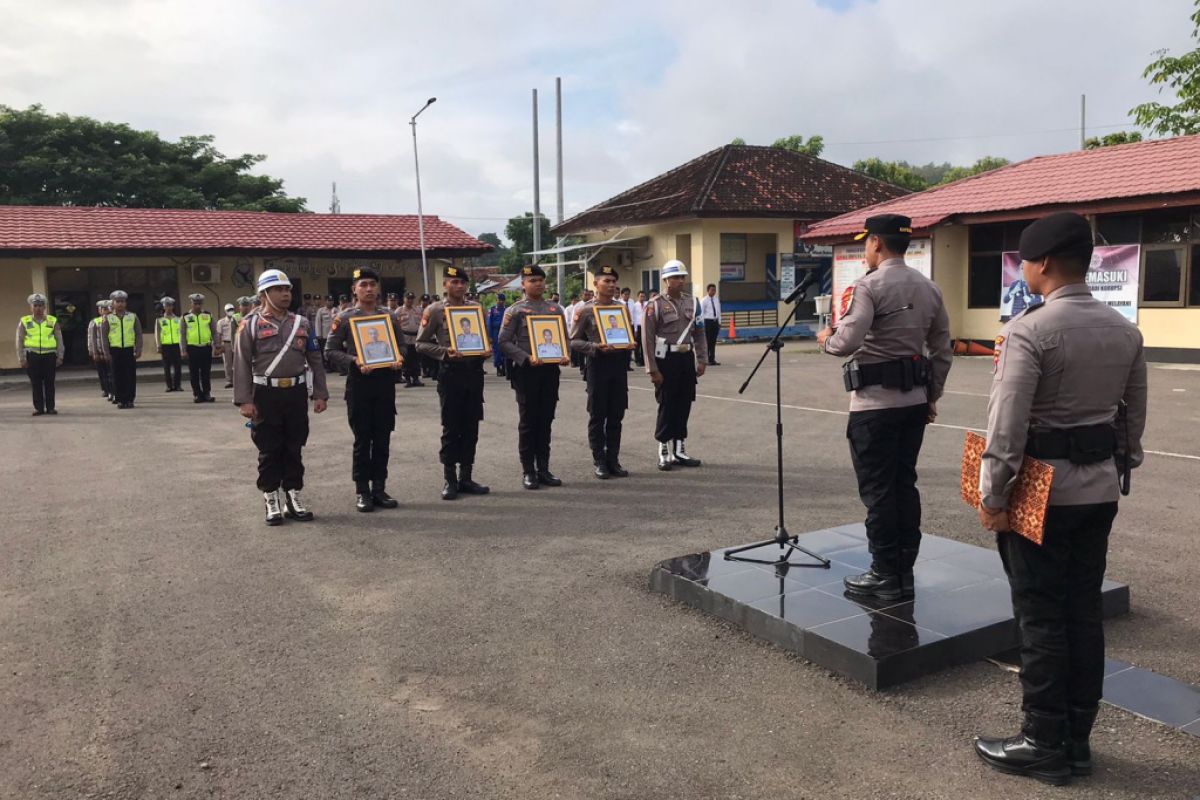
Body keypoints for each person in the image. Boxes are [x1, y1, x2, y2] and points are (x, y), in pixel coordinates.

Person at [972, 212, 1147, 785]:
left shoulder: (1029, 331)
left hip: (1040, 494)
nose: (1022, 268)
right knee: (1082, 613)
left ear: (1043, 263)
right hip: (1098, 489)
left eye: (1024, 259)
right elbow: (1131, 420)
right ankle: (1076, 739)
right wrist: (1116, 464)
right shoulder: (1124, 330)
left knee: (1041, 617)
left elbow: (1007, 425)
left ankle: (1041, 740)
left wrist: (993, 493)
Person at [816, 214, 953, 602]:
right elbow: (942, 350)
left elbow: (847, 341)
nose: (866, 250)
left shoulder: (869, 286)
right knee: (903, 484)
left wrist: (826, 338)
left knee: (878, 491)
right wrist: (932, 396)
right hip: (913, 403)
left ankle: (883, 572)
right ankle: (904, 570)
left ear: (876, 243)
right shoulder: (930, 288)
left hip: (874, 406)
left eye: (867, 244)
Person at [234, 269, 329, 526]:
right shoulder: (250, 324)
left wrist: (320, 393)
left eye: (287, 289)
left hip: (296, 392)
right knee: (269, 448)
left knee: (294, 446)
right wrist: (244, 400)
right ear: (264, 293)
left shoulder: (302, 323)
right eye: (279, 289)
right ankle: (271, 497)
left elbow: (315, 360)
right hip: (265, 393)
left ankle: (293, 495)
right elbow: (241, 362)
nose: (286, 294)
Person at [325, 267, 404, 511]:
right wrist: (354, 360)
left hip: (384, 384)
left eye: (372, 284)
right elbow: (330, 350)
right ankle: (362, 490)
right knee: (362, 439)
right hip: (359, 384)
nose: (369, 289)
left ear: (378, 288)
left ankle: (379, 488)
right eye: (363, 285)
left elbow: (401, 346)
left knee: (382, 438)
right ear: (354, 289)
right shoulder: (345, 318)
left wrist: (399, 358)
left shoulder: (389, 316)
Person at [416, 265, 491, 500]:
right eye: (454, 282)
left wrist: (486, 349)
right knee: (451, 426)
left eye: (462, 282)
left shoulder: (477, 309)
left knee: (471, 426)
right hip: (451, 373)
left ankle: (466, 477)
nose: (459, 286)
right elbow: (421, 343)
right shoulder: (435, 310)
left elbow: (483, 339)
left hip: (474, 373)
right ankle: (449, 478)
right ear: (445, 285)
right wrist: (445, 352)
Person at [498, 265, 567, 489]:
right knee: (528, 421)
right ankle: (528, 470)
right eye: (532, 280)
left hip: (549, 371)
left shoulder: (555, 310)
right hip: (527, 370)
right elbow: (504, 342)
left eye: (540, 280)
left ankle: (544, 469)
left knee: (546, 419)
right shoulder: (515, 311)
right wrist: (525, 358)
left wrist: (564, 354)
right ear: (524, 284)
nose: (537, 283)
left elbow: (563, 339)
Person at [642, 261, 708, 471]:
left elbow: (699, 332)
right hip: (666, 360)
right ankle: (663, 449)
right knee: (667, 404)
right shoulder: (655, 304)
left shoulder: (693, 302)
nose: (681, 280)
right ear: (666, 280)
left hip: (685, 359)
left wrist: (702, 358)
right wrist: (652, 368)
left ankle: (679, 448)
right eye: (676, 277)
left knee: (685, 401)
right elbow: (647, 339)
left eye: (683, 276)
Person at [570, 265, 632, 479]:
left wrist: (630, 343)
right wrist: (594, 347)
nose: (612, 285)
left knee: (617, 414)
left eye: (614, 281)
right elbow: (574, 341)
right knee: (597, 415)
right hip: (598, 364)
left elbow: (627, 333)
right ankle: (599, 460)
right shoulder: (585, 310)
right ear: (595, 284)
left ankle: (613, 459)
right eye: (607, 281)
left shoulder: (621, 309)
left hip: (618, 365)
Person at [16, 293, 63, 416]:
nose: (38, 308)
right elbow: (19, 340)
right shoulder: (24, 321)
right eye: (35, 305)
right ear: (31, 307)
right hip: (32, 356)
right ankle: (39, 408)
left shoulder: (52, 320)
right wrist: (21, 358)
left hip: (49, 356)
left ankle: (51, 407)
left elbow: (59, 339)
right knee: (36, 383)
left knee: (49, 383)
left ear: (45, 307)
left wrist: (60, 355)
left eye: (41, 305)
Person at [100, 290, 142, 409]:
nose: (120, 304)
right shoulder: (108, 318)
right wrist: (106, 352)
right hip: (115, 350)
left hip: (129, 350)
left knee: (130, 375)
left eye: (122, 301)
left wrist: (138, 349)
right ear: (113, 303)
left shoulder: (133, 317)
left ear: (126, 303)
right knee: (117, 376)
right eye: (117, 301)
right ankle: (120, 400)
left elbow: (138, 334)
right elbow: (104, 336)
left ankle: (129, 399)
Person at [180, 292, 220, 403]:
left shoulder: (208, 315)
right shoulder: (185, 317)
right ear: (191, 303)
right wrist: (183, 350)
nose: (197, 306)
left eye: (200, 304)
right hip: (192, 348)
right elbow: (182, 335)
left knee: (206, 372)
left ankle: (207, 393)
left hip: (206, 348)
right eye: (195, 303)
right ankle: (197, 394)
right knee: (194, 373)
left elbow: (214, 332)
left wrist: (217, 345)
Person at [394, 291, 425, 388]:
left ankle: (416, 379)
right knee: (407, 360)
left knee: (416, 359)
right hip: (405, 338)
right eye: (408, 298)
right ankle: (408, 379)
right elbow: (395, 325)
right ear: (404, 299)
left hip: (416, 338)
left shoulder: (418, 310)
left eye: (412, 299)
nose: (410, 300)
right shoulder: (398, 311)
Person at [155, 297, 184, 392]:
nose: (168, 308)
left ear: (173, 307)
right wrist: (158, 345)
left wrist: (183, 346)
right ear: (163, 307)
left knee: (178, 367)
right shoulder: (160, 320)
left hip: (177, 345)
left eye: (170, 305)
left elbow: (181, 333)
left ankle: (178, 385)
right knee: (166, 367)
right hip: (165, 346)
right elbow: (157, 334)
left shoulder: (179, 319)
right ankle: (169, 386)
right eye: (166, 306)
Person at [88, 300, 114, 401]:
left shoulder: (113, 320)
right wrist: (93, 351)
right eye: (104, 309)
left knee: (111, 372)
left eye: (108, 309)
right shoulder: (95, 322)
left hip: (110, 350)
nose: (107, 311)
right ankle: (105, 389)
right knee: (102, 372)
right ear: (100, 311)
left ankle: (112, 390)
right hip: (99, 350)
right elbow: (91, 338)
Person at [700, 283, 722, 366]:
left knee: (713, 342)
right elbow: (701, 313)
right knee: (707, 342)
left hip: (715, 322)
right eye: (712, 290)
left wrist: (719, 322)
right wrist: (702, 325)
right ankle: (706, 359)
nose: (713, 292)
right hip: (707, 322)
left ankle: (712, 359)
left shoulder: (716, 299)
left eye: (714, 290)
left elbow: (718, 311)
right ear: (708, 290)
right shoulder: (704, 300)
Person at [217, 303, 238, 388]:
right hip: (226, 343)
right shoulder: (221, 322)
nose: (230, 311)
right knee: (228, 363)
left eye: (232, 309)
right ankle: (229, 381)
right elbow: (219, 334)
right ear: (225, 311)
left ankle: (238, 380)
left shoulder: (238, 320)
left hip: (237, 343)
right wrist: (218, 346)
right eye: (229, 310)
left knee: (238, 363)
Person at [487, 294, 507, 376]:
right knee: (497, 351)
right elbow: (489, 324)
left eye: (502, 300)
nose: (500, 302)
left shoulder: (506, 310)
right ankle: (498, 368)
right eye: (499, 300)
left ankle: (504, 368)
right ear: (496, 300)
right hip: (495, 332)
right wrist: (490, 336)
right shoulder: (492, 310)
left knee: (504, 351)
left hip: (505, 332)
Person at [314, 295, 335, 361]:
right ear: (325, 301)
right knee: (325, 351)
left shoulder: (336, 310)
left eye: (331, 301)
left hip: (335, 335)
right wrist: (318, 334)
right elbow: (318, 323)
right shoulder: (321, 310)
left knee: (334, 351)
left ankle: (333, 365)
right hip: (325, 335)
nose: (330, 302)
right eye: (328, 301)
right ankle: (326, 365)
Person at [630, 290, 647, 367]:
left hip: (645, 326)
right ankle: (637, 360)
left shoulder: (647, 304)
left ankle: (643, 360)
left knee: (644, 344)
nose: (642, 298)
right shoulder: (635, 305)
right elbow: (633, 317)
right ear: (638, 297)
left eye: (643, 296)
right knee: (637, 344)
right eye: (640, 296)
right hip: (638, 326)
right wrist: (635, 329)